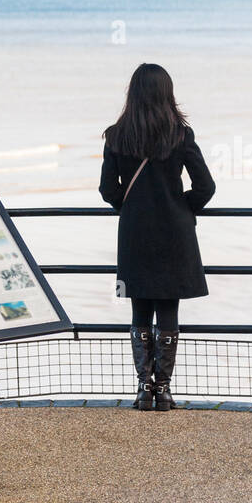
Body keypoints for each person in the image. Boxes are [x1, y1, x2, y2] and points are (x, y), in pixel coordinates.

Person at [99, 63, 216, 411]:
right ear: (167, 92)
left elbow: (108, 190)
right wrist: (182, 208)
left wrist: (129, 207)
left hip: (135, 232)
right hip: (174, 232)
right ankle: (163, 390)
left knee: (140, 309)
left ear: (132, 93)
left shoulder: (117, 135)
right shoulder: (181, 134)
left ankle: (142, 389)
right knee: (168, 308)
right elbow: (205, 187)